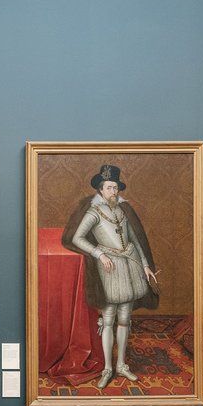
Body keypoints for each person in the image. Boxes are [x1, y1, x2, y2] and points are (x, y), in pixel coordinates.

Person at [63, 164, 159, 389]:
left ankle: (122, 365)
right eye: (109, 188)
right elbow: (77, 238)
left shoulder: (122, 210)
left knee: (125, 318)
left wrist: (144, 264)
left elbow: (135, 238)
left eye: (116, 188)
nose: (113, 192)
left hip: (130, 264)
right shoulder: (93, 212)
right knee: (108, 319)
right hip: (110, 268)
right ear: (100, 189)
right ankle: (107, 368)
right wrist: (99, 254)